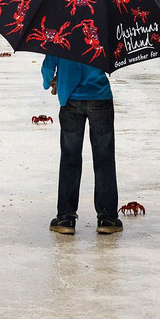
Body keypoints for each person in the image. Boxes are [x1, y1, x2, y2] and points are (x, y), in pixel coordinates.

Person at [42, 54, 122, 235]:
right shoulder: (103, 31)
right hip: (100, 98)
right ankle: (107, 218)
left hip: (70, 100)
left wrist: (52, 81)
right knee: (104, 160)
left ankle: (65, 218)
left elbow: (48, 67)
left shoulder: (62, 33)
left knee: (70, 159)